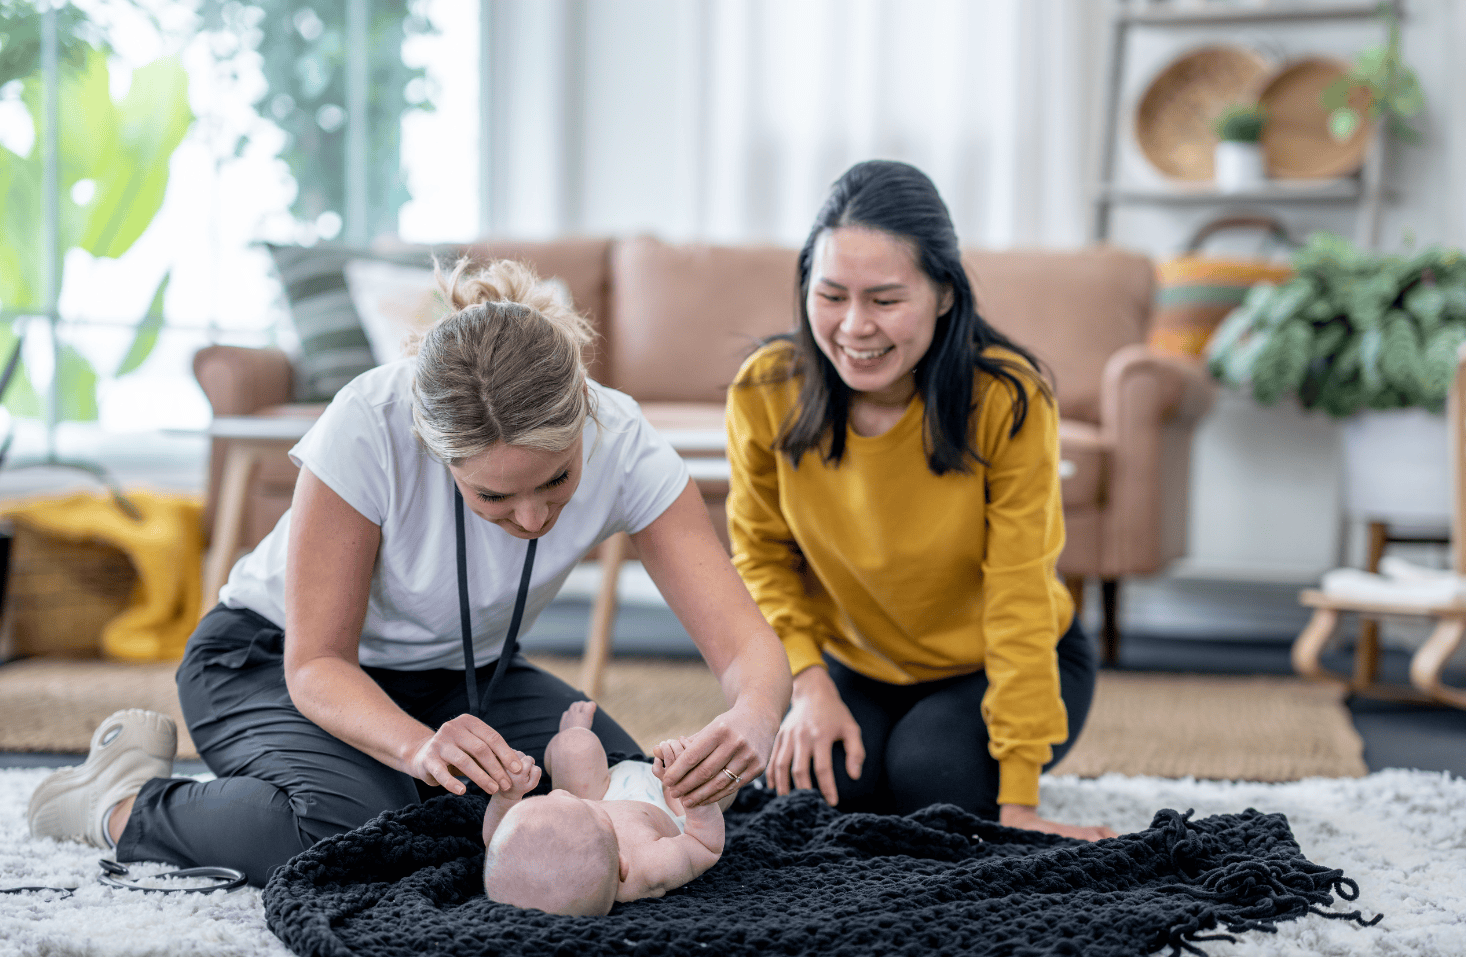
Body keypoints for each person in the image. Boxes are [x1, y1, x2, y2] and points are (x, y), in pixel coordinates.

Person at [28, 258, 791, 885]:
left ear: (583, 417)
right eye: (493, 494)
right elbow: (318, 664)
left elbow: (745, 648)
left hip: (463, 675)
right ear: (436, 449)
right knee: (356, 831)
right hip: (266, 661)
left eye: (556, 481)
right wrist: (419, 750)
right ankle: (121, 803)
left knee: (631, 800)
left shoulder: (624, 439)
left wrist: (752, 720)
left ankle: (395, 782)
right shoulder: (369, 423)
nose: (532, 519)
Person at [727, 160, 1114, 840]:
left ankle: (953, 761)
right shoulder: (766, 390)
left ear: (943, 293)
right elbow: (760, 558)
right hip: (859, 659)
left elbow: (1020, 593)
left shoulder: (1008, 398)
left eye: (884, 299)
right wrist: (807, 687)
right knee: (816, 790)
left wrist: (1018, 802)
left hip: (999, 660)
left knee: (934, 784)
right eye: (832, 295)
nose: (854, 326)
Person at [481, 701, 724, 915]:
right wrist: (693, 792)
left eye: (550, 798)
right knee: (715, 769)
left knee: (574, 745)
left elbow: (495, 839)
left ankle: (571, 733)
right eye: (572, 802)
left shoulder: (524, 850)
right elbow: (703, 845)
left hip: (600, 791)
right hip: (669, 801)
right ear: (622, 865)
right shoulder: (645, 868)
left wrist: (508, 796)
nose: (558, 791)